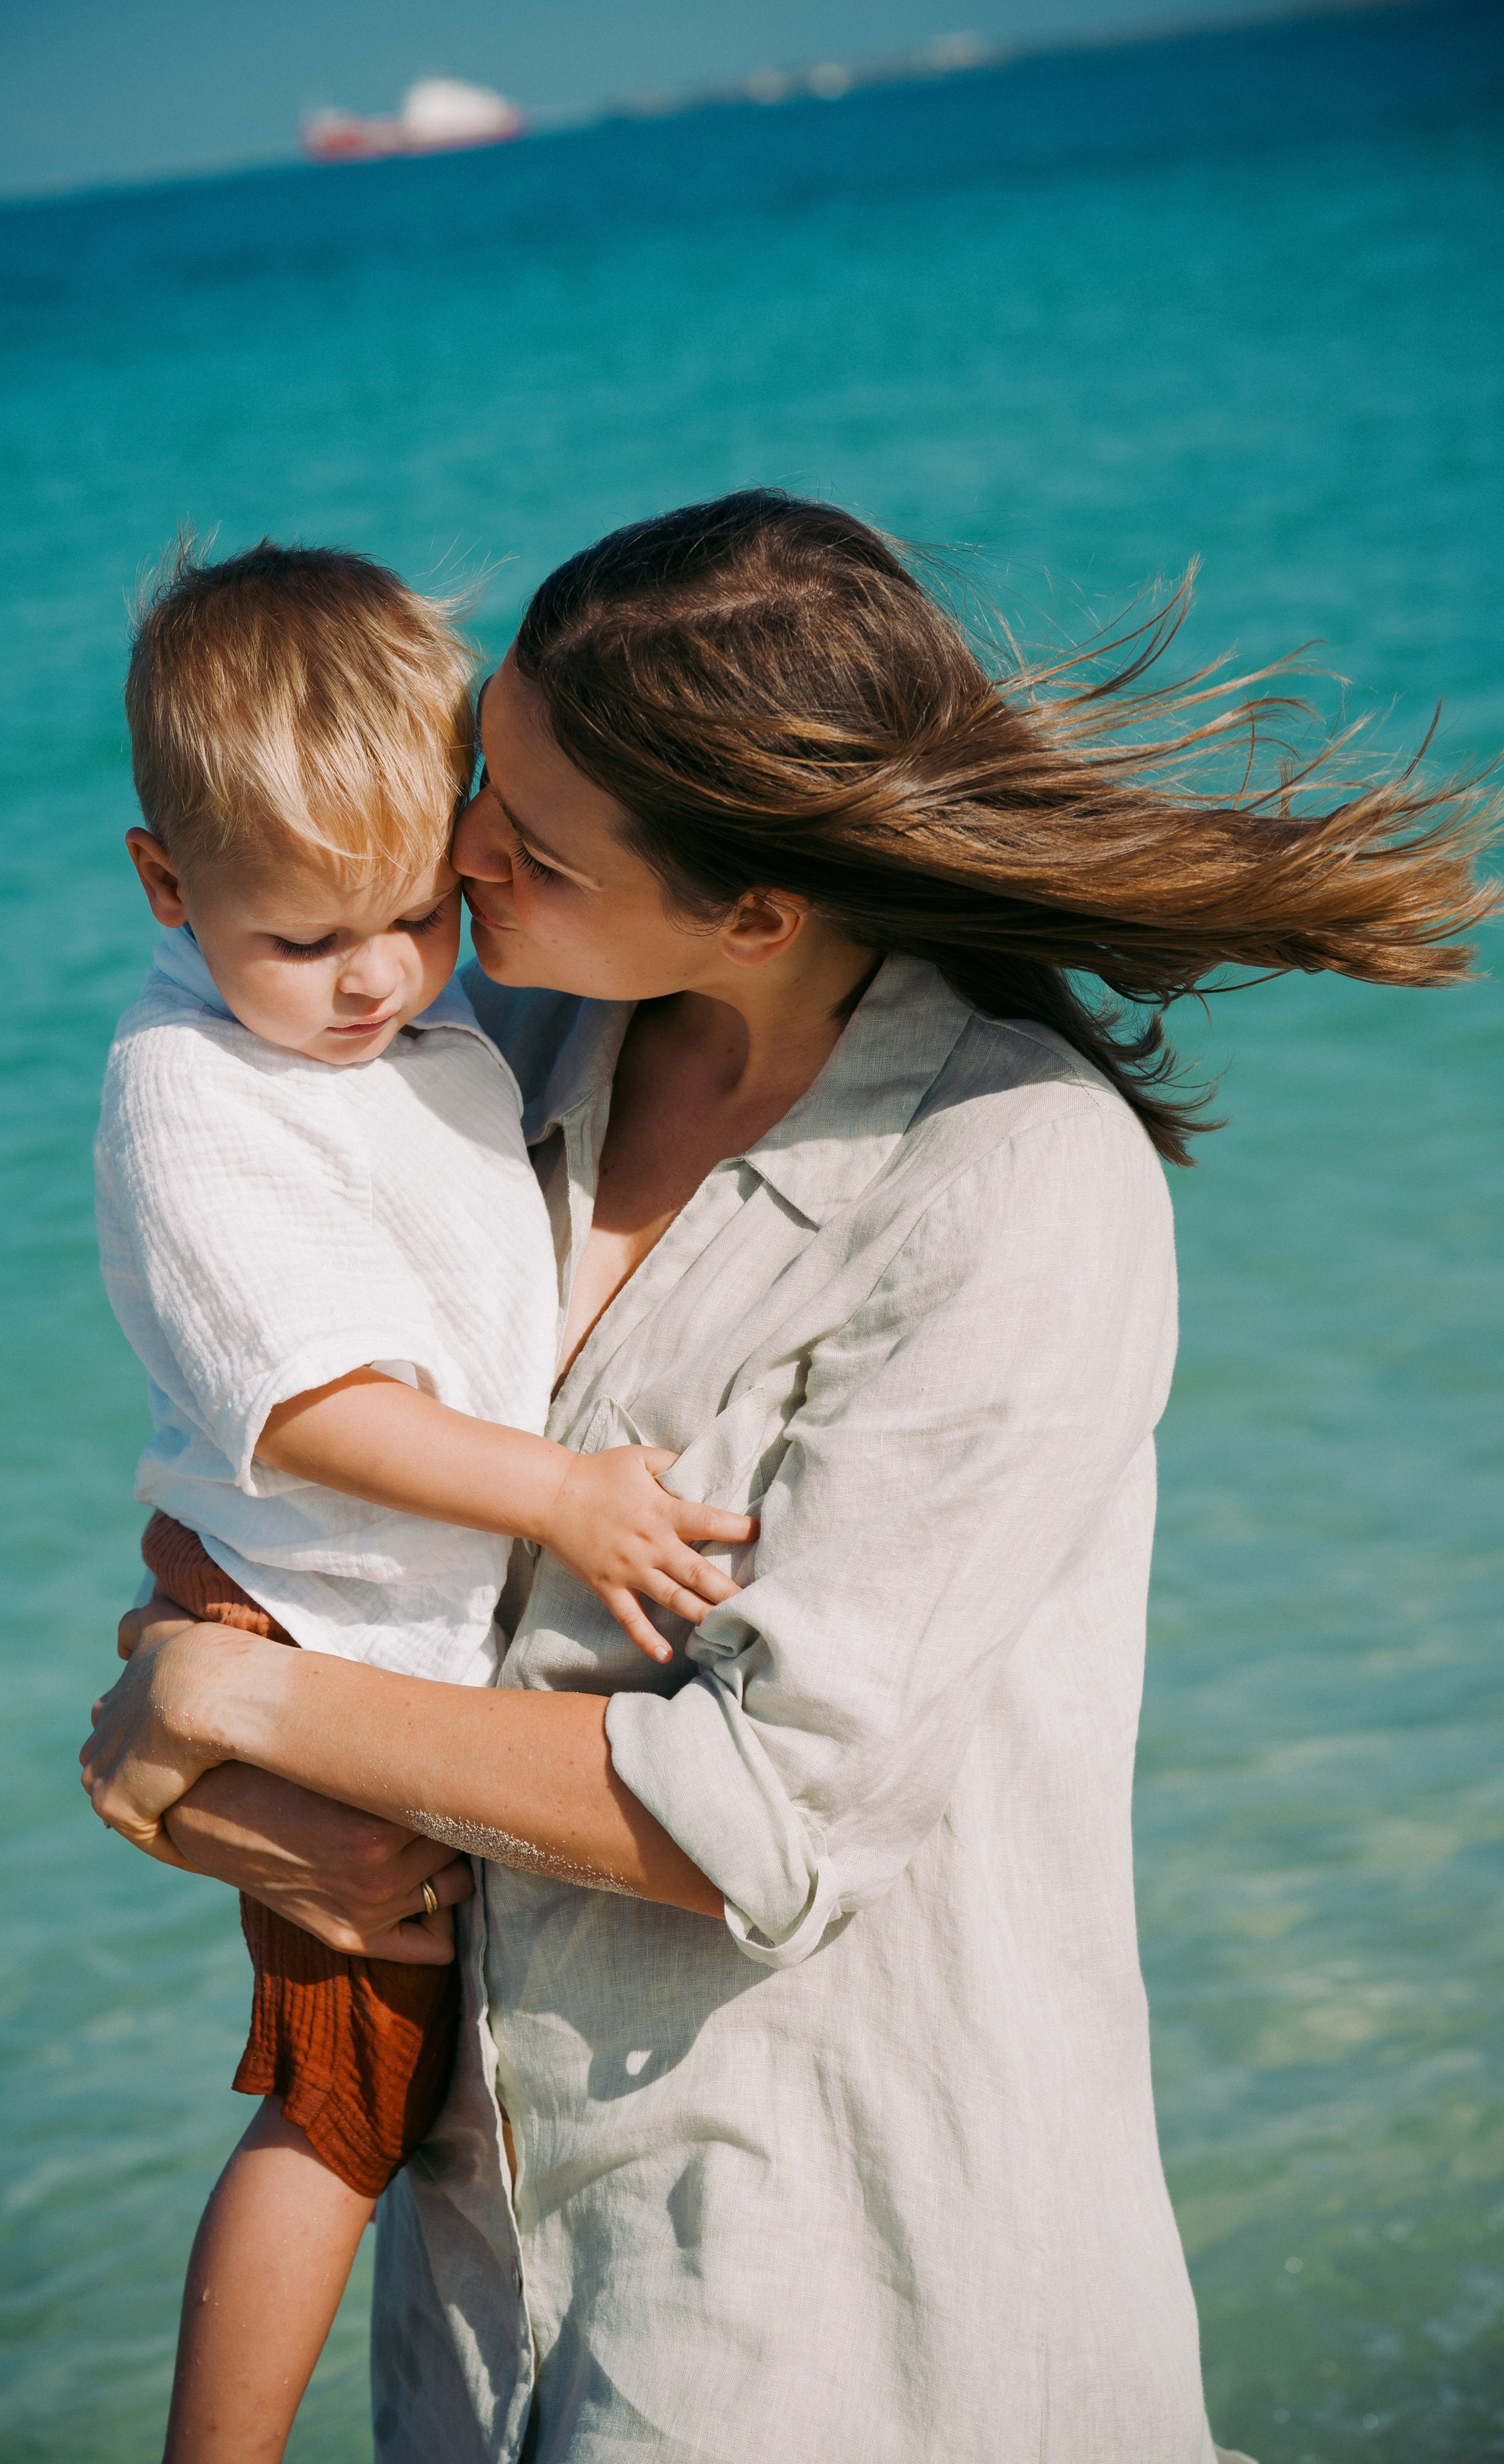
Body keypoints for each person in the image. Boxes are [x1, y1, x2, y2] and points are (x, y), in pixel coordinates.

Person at [85, 493, 1493, 2464]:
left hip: (821, 2315)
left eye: (532, 844)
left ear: (752, 911)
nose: (458, 848)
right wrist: (182, 1705)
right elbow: (299, 1479)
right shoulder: (507, 1041)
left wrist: (247, 1700)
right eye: (492, 772)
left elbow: (754, 1814)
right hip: (483, 2299)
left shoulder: (1013, 1181)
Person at [98, 540, 755, 2463]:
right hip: (312, 1630)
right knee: (343, 2097)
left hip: (384, 1633)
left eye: (411, 916)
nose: (375, 978)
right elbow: (305, 1411)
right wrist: (560, 1495)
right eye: (305, 942)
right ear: (165, 885)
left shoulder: (402, 1023)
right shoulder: (193, 1094)